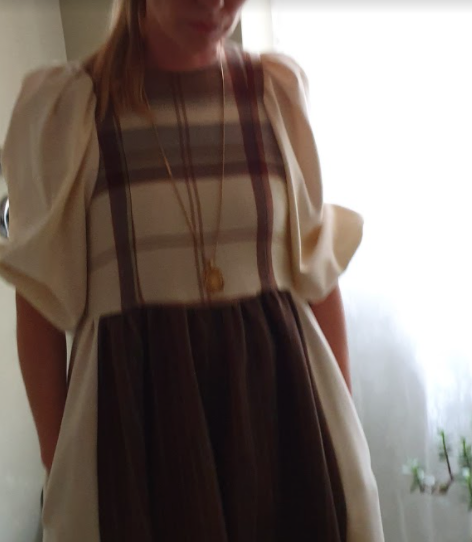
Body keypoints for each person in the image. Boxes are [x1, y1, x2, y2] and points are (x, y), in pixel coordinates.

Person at [0, 0, 385, 540]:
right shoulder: (71, 109)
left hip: (284, 413)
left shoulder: (275, 94)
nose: (214, 4)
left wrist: (343, 433)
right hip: (140, 427)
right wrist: (59, 462)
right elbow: (39, 305)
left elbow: (318, 277)